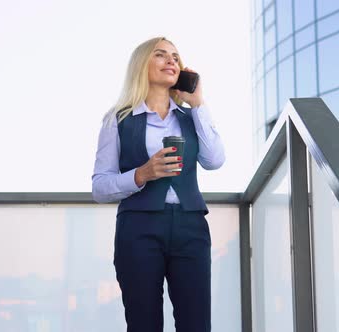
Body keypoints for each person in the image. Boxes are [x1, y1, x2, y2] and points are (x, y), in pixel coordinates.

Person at [92, 36, 225, 332]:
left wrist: (198, 103)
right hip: (139, 228)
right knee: (143, 323)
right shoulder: (118, 119)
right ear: (142, 65)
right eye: (161, 55)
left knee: (196, 324)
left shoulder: (192, 117)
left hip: (191, 227)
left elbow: (214, 160)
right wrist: (141, 174)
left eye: (176, 57)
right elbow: (100, 186)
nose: (172, 61)